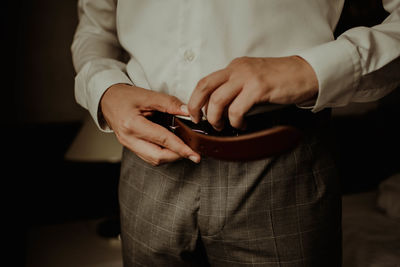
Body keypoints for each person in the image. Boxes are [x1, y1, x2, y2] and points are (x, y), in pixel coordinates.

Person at [71, 0, 400, 266]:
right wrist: (105, 89)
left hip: (282, 166)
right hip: (149, 164)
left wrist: (309, 70)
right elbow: (95, 27)